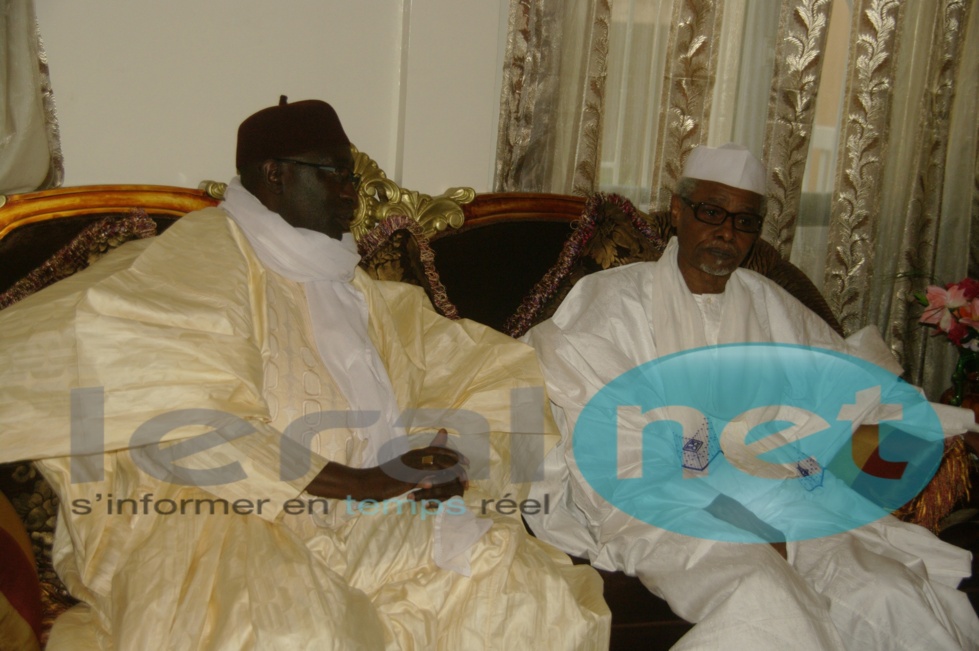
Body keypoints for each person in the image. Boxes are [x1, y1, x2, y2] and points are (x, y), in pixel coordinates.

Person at [0, 98, 610, 650]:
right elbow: (181, 406)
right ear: (275, 174)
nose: (356, 188)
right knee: (295, 627)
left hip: (377, 505)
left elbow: (483, 372)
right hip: (228, 515)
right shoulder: (206, 256)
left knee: (536, 602)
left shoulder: (363, 290)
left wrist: (446, 452)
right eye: (337, 173)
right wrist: (363, 481)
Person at [521, 143, 979, 650]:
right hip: (665, 508)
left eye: (745, 221)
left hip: (790, 496)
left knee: (889, 594)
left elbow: (858, 388)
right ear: (679, 209)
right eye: (712, 212)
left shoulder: (771, 303)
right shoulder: (612, 301)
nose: (726, 233)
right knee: (768, 600)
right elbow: (611, 440)